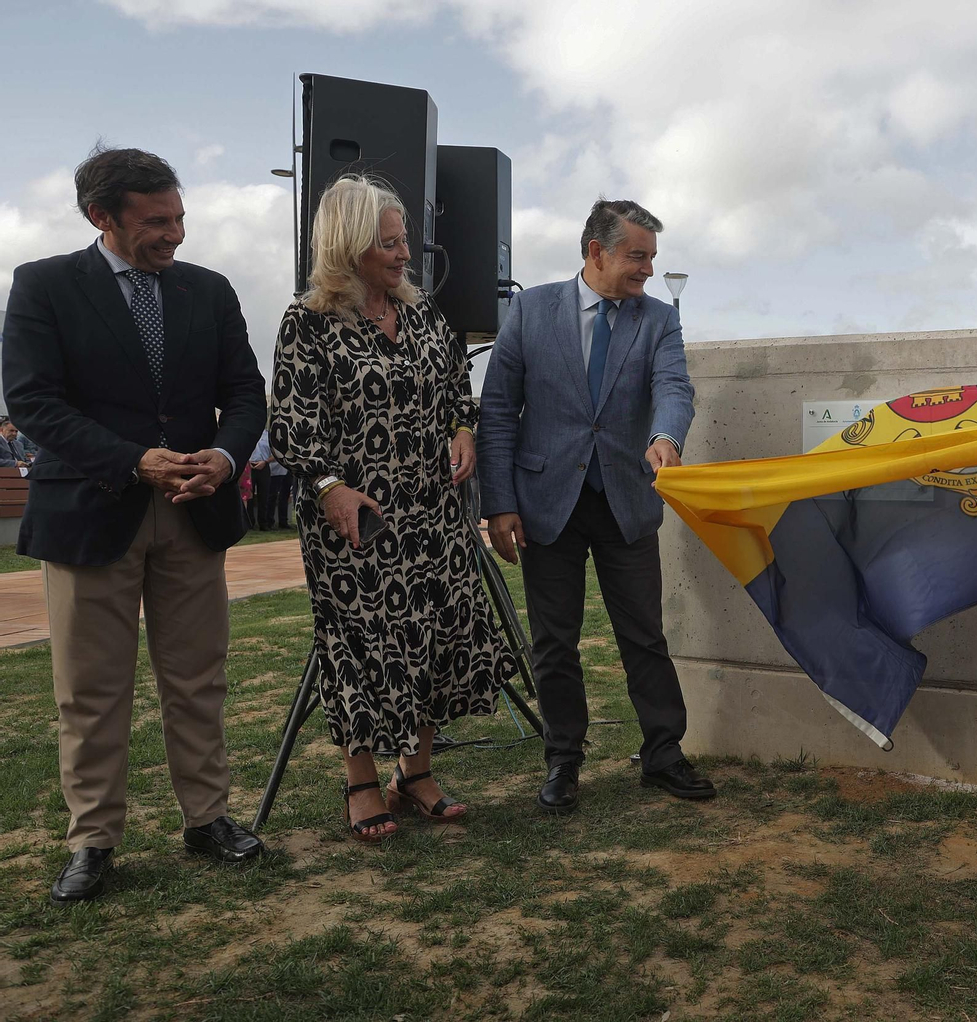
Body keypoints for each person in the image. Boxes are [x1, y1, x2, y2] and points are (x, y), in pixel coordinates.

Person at [1, 146, 268, 903]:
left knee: (198, 678)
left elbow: (246, 393)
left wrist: (223, 453)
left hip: (194, 513)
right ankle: (93, 840)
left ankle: (208, 818)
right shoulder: (44, 285)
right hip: (90, 513)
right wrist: (132, 460)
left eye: (179, 217)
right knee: (90, 689)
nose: (174, 234)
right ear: (101, 217)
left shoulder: (210, 291)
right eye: (155, 222)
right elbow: (33, 403)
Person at [269, 175, 519, 842]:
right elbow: (293, 428)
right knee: (360, 645)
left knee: (434, 637)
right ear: (348, 246)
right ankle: (360, 781)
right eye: (388, 243)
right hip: (357, 523)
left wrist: (463, 433)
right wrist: (331, 488)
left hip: (434, 515)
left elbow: (458, 399)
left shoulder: (426, 316)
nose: (404, 253)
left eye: (404, 239)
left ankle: (415, 773)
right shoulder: (309, 323)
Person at [478, 198, 709, 815]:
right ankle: (563, 762)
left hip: (625, 503)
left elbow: (673, 387)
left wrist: (666, 437)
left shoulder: (657, 320)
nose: (647, 272)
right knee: (555, 642)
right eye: (637, 257)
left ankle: (663, 754)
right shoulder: (529, 310)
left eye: (652, 259)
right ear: (596, 252)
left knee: (644, 635)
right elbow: (497, 411)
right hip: (546, 503)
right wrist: (498, 503)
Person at [248, 428, 274, 530]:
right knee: (249, 496)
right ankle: (250, 522)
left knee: (264, 496)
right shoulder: (249, 432)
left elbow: (275, 454)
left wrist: (266, 462)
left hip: (264, 466)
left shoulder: (268, 435)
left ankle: (263, 523)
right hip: (250, 466)